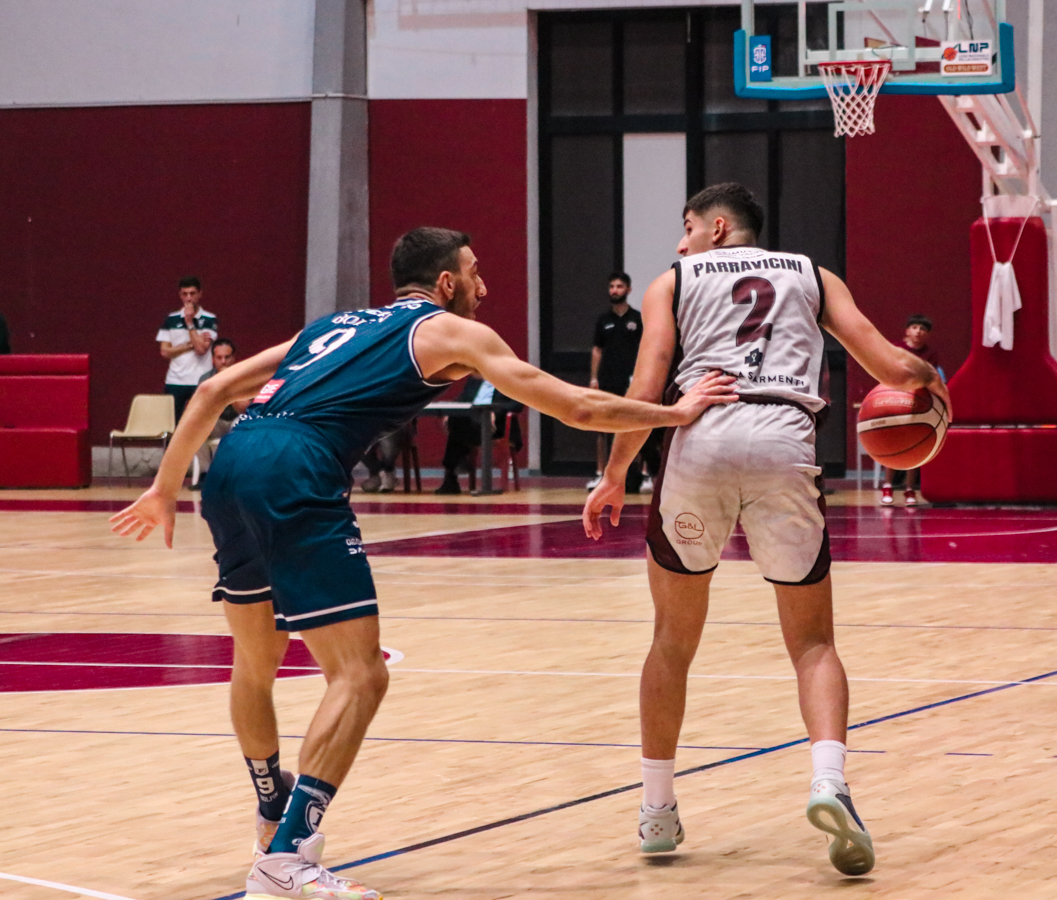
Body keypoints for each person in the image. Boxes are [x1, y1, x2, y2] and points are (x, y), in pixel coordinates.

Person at [110, 227, 737, 900]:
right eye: (475, 272)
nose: (483, 287)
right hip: (296, 469)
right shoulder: (447, 332)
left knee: (255, 662)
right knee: (361, 675)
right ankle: (285, 858)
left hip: (233, 464)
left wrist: (165, 488)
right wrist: (675, 412)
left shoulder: (332, 326)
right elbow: (578, 406)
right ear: (445, 283)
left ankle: (270, 809)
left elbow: (212, 391)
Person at [581, 184, 947, 877]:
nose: (681, 241)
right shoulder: (814, 274)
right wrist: (936, 387)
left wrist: (615, 474)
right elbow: (894, 368)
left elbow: (646, 387)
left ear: (718, 228)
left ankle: (656, 809)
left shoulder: (673, 281)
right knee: (813, 643)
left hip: (702, 439)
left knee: (671, 641)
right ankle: (829, 782)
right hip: (784, 439)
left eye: (687, 226)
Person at [589, 272, 660, 493]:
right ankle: (600, 473)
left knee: (638, 424)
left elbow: (646, 349)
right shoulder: (603, 320)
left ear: (628, 290)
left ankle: (645, 475)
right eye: (612, 286)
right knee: (603, 426)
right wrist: (594, 378)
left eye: (619, 286)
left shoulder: (637, 319)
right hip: (608, 379)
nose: (615, 290)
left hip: (632, 380)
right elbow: (597, 350)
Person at [879, 314, 945, 507]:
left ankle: (910, 489)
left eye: (923, 329)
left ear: (928, 334)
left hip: (917, 401)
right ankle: (887, 486)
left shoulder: (930, 353)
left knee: (914, 447)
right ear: (907, 331)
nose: (918, 331)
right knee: (893, 446)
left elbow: (931, 378)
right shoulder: (896, 348)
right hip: (895, 398)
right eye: (915, 327)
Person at [434, 376, 524, 495]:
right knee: (456, 420)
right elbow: (463, 398)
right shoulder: (476, 377)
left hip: (498, 426)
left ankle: (454, 472)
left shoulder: (509, 377)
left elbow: (517, 404)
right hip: (472, 423)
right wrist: (451, 410)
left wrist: (495, 412)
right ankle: (458, 464)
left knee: (457, 429)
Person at [157, 276, 218, 421]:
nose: (189, 298)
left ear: (199, 294)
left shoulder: (209, 319)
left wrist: (189, 322)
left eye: (192, 293)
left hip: (200, 380)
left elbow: (201, 350)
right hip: (175, 381)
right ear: (180, 295)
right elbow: (165, 351)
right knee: (172, 423)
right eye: (185, 294)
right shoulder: (171, 319)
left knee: (199, 422)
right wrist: (190, 344)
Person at [193, 338, 251, 479]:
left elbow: (244, 408)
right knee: (197, 426)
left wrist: (228, 384)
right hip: (215, 421)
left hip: (236, 420)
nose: (223, 362)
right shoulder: (206, 379)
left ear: (233, 358)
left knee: (242, 422)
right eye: (219, 358)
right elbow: (202, 408)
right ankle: (205, 474)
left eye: (227, 357)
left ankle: (234, 475)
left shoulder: (244, 376)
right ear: (213, 359)